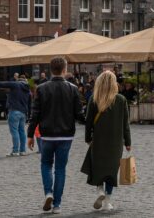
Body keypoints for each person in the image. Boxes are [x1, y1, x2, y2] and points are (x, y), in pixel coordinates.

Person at [28, 56, 82, 214]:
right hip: (66, 135)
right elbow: (79, 115)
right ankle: (57, 205)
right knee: (60, 169)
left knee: (45, 164)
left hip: (47, 135)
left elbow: (35, 114)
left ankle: (48, 193)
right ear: (65, 70)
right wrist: (91, 125)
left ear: (50, 70)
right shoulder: (73, 88)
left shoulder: (42, 88)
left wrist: (30, 135)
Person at [81, 71, 132, 212]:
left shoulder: (94, 99)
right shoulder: (121, 99)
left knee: (97, 168)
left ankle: (100, 191)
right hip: (115, 142)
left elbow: (88, 122)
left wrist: (88, 139)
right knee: (111, 171)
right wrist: (128, 142)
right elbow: (125, 124)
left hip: (98, 140)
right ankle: (108, 202)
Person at [0, 74, 32, 156]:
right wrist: (29, 115)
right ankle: (23, 150)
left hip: (14, 111)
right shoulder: (28, 90)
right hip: (23, 113)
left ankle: (15, 151)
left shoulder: (15, 84)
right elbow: (29, 104)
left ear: (18, 80)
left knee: (14, 131)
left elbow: (2, 84)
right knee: (22, 132)